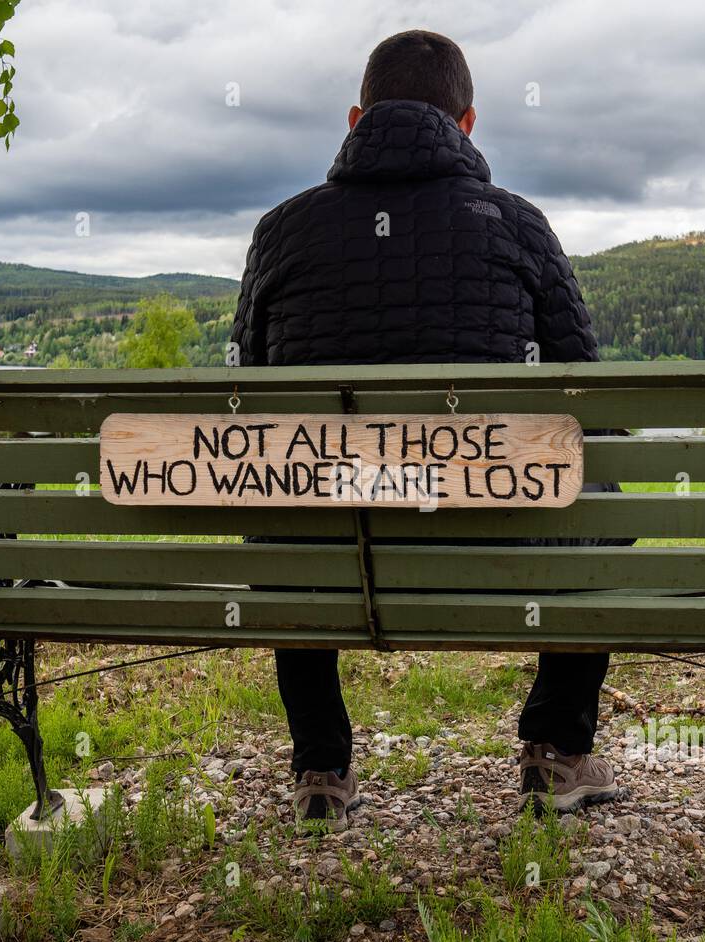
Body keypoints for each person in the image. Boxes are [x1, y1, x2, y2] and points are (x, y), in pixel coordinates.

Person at [228, 29, 620, 831]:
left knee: (284, 491)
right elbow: (587, 395)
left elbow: (246, 400)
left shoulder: (281, 232)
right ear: (468, 123)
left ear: (353, 117)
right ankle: (556, 747)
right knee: (603, 492)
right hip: (496, 538)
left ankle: (321, 765)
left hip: (328, 548)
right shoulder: (517, 225)